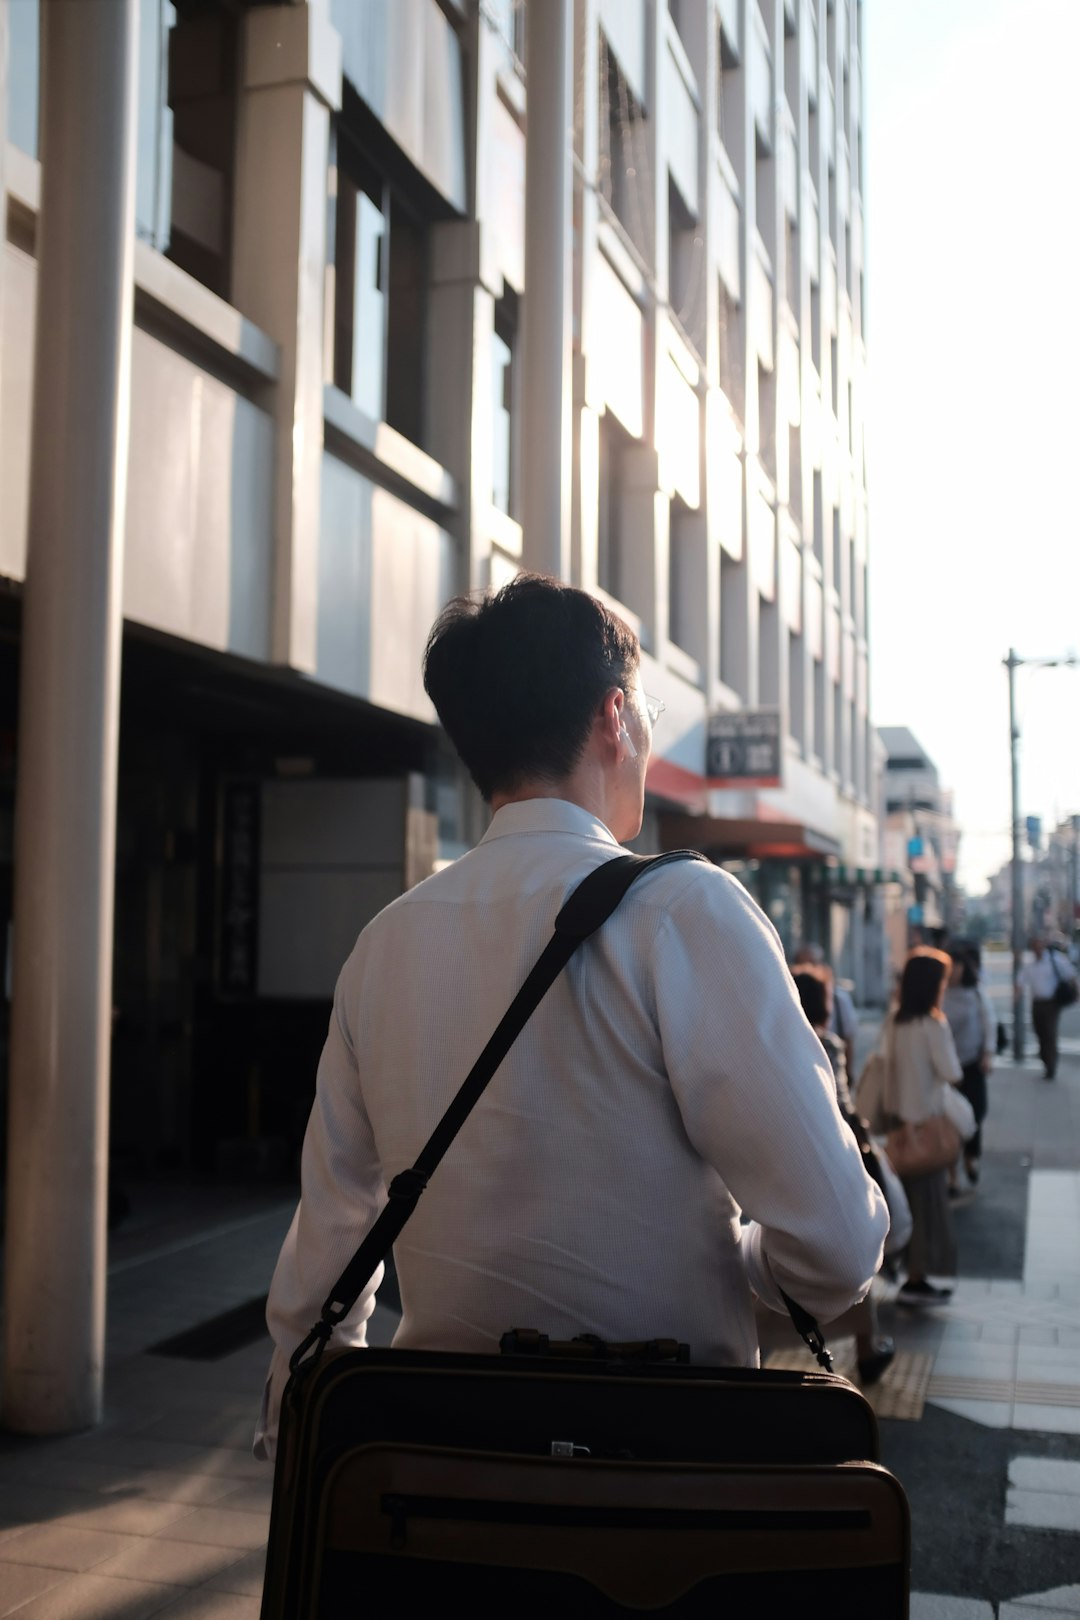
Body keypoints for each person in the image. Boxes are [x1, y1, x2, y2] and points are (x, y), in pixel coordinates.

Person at [254, 575, 888, 1459]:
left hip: (439, 1481)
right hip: (661, 1483)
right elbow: (838, 1242)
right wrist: (738, 1261)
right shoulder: (686, 913)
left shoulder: (383, 947)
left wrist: (302, 1410)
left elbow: (330, 1238)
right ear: (614, 717)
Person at [791, 965, 895, 1383]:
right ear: (824, 1006)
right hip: (833, 1160)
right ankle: (866, 1349)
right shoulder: (829, 1044)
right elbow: (843, 1104)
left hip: (795, 1158)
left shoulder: (785, 1042)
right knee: (851, 1247)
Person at [882, 948, 964, 1305]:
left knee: (900, 1205)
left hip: (899, 1129)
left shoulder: (894, 1022)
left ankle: (903, 1272)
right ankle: (916, 1279)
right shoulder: (933, 1025)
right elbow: (952, 1073)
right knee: (926, 1207)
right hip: (927, 1130)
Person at [943, 941, 994, 1190]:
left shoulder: (976, 993)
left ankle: (971, 1158)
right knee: (950, 1119)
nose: (953, 971)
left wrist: (988, 1054)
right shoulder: (938, 995)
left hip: (972, 1063)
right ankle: (952, 1173)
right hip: (945, 1068)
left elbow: (989, 1023)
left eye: (957, 966)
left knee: (976, 1112)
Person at [793, 943, 857, 1080]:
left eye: (813, 962)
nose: (808, 968)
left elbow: (849, 1038)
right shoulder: (789, 998)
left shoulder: (840, 1000)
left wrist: (848, 1074)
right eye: (802, 962)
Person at [1019, 932, 1078, 1081]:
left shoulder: (1055, 959)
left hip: (1051, 1003)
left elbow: (1070, 975)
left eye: (1039, 944)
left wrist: (1076, 992)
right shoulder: (1030, 965)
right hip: (1037, 1003)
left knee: (1050, 1034)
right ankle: (1046, 1062)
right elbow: (1020, 982)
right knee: (1040, 1033)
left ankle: (1051, 1066)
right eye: (1034, 945)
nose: (1037, 948)